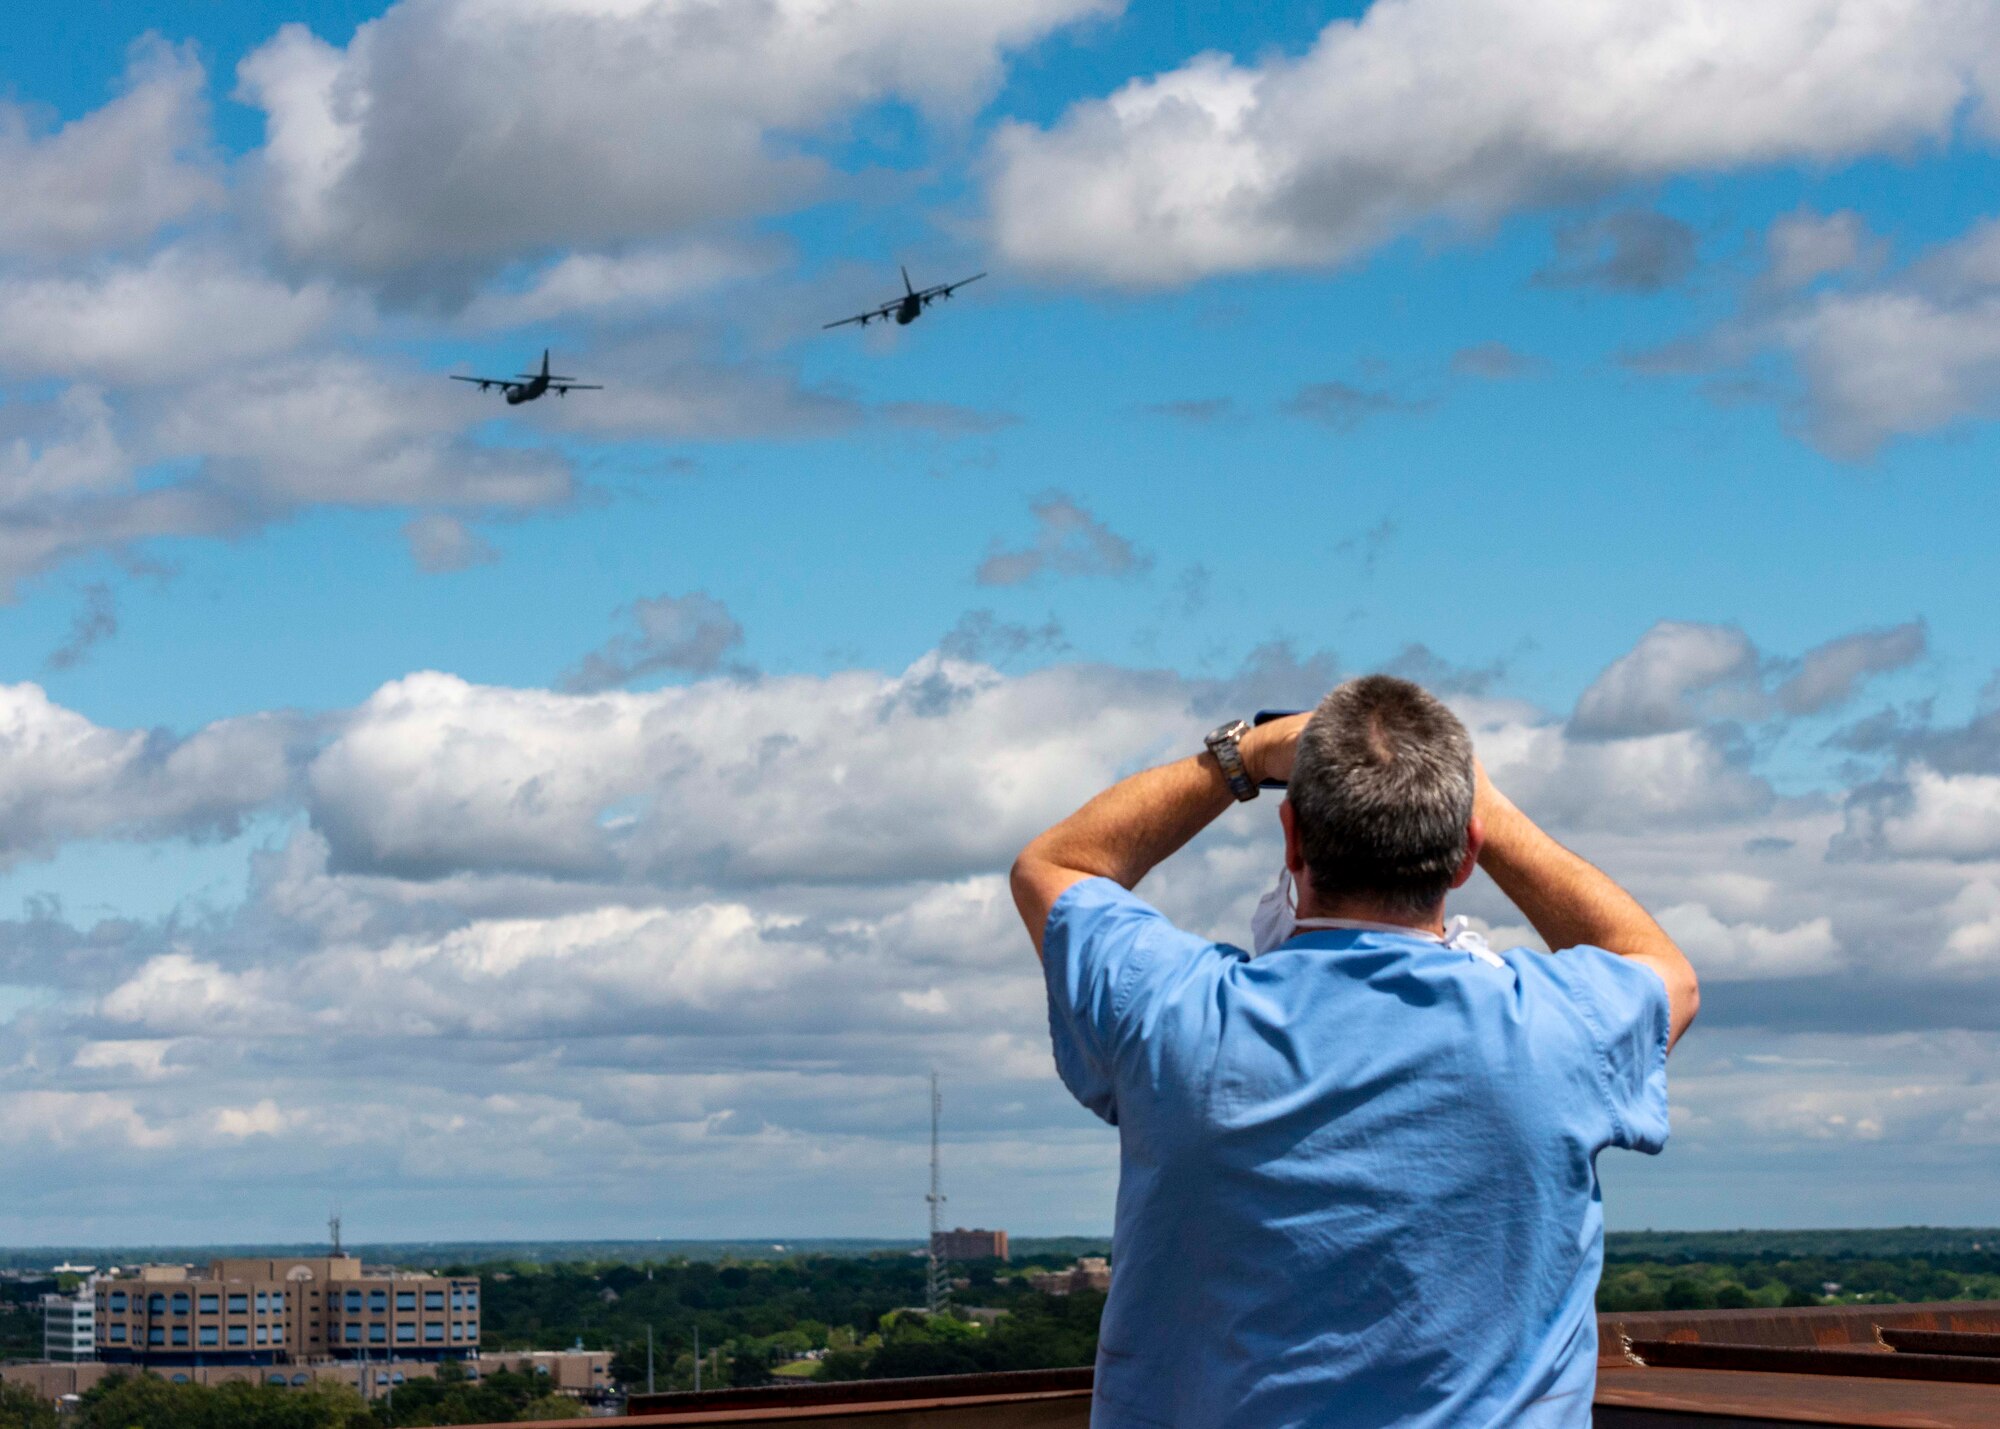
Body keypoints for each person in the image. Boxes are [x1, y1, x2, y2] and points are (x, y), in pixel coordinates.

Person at [1010, 675, 1698, 1427]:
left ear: (1294, 837)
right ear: (1466, 851)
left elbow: (1055, 866)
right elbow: (1663, 969)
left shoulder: (1173, 1010)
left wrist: (1243, 755)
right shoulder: (1559, 1028)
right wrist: (1486, 806)